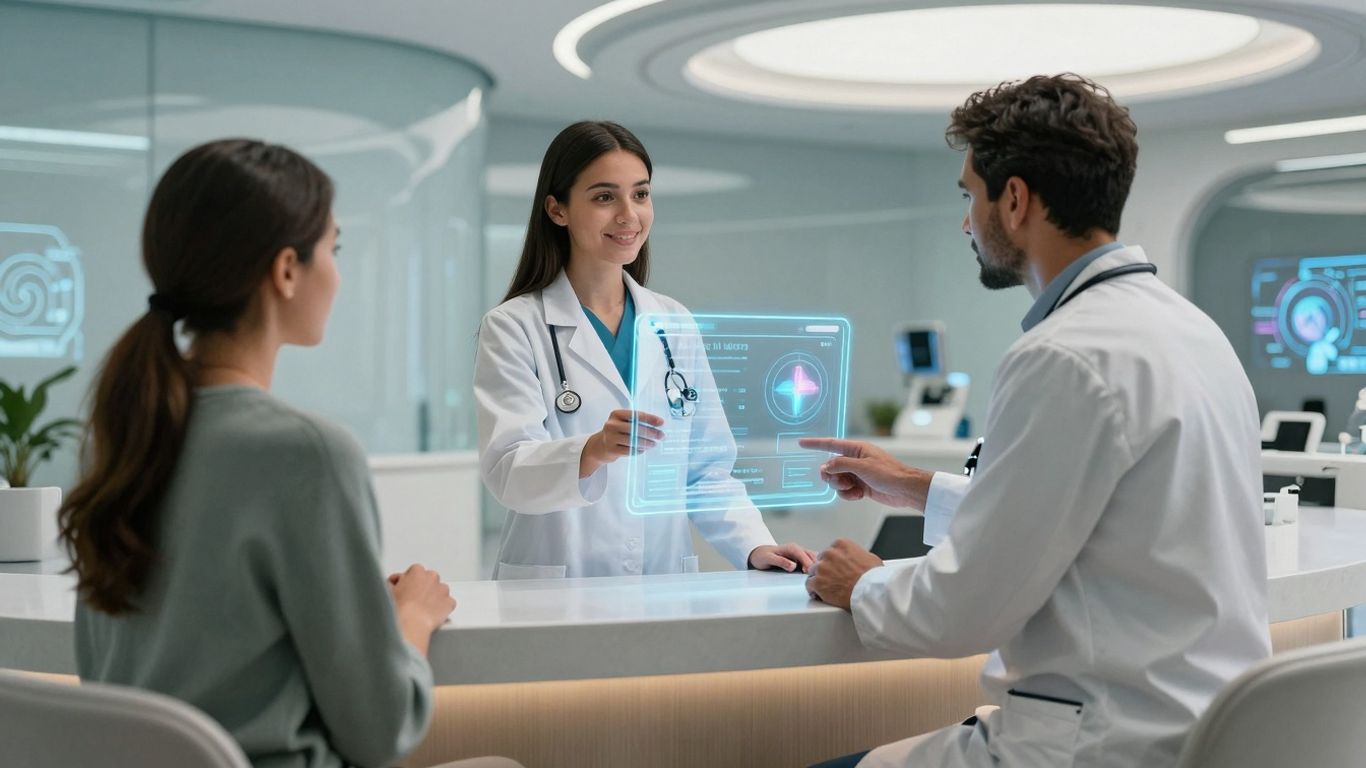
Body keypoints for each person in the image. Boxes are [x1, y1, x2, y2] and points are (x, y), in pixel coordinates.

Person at [800, 75, 1270, 768]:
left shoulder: (1060, 355)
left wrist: (860, 581)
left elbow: (967, 609)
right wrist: (918, 489)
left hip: (1097, 744)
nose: (966, 221)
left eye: (970, 195)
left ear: (1014, 200)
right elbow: (1107, 523)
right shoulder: (1192, 331)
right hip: (1201, 733)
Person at [59, 139, 518, 768]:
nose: (338, 271)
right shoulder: (308, 453)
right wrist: (410, 616)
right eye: (334, 248)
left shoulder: (119, 436)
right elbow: (381, 732)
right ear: (285, 270)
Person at [475, 120, 813, 579]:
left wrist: (757, 546)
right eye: (603, 197)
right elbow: (508, 471)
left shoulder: (674, 323)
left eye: (640, 194)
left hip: (661, 578)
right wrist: (592, 450)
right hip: (556, 585)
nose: (628, 215)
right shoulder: (515, 326)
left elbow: (707, 471)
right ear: (557, 210)